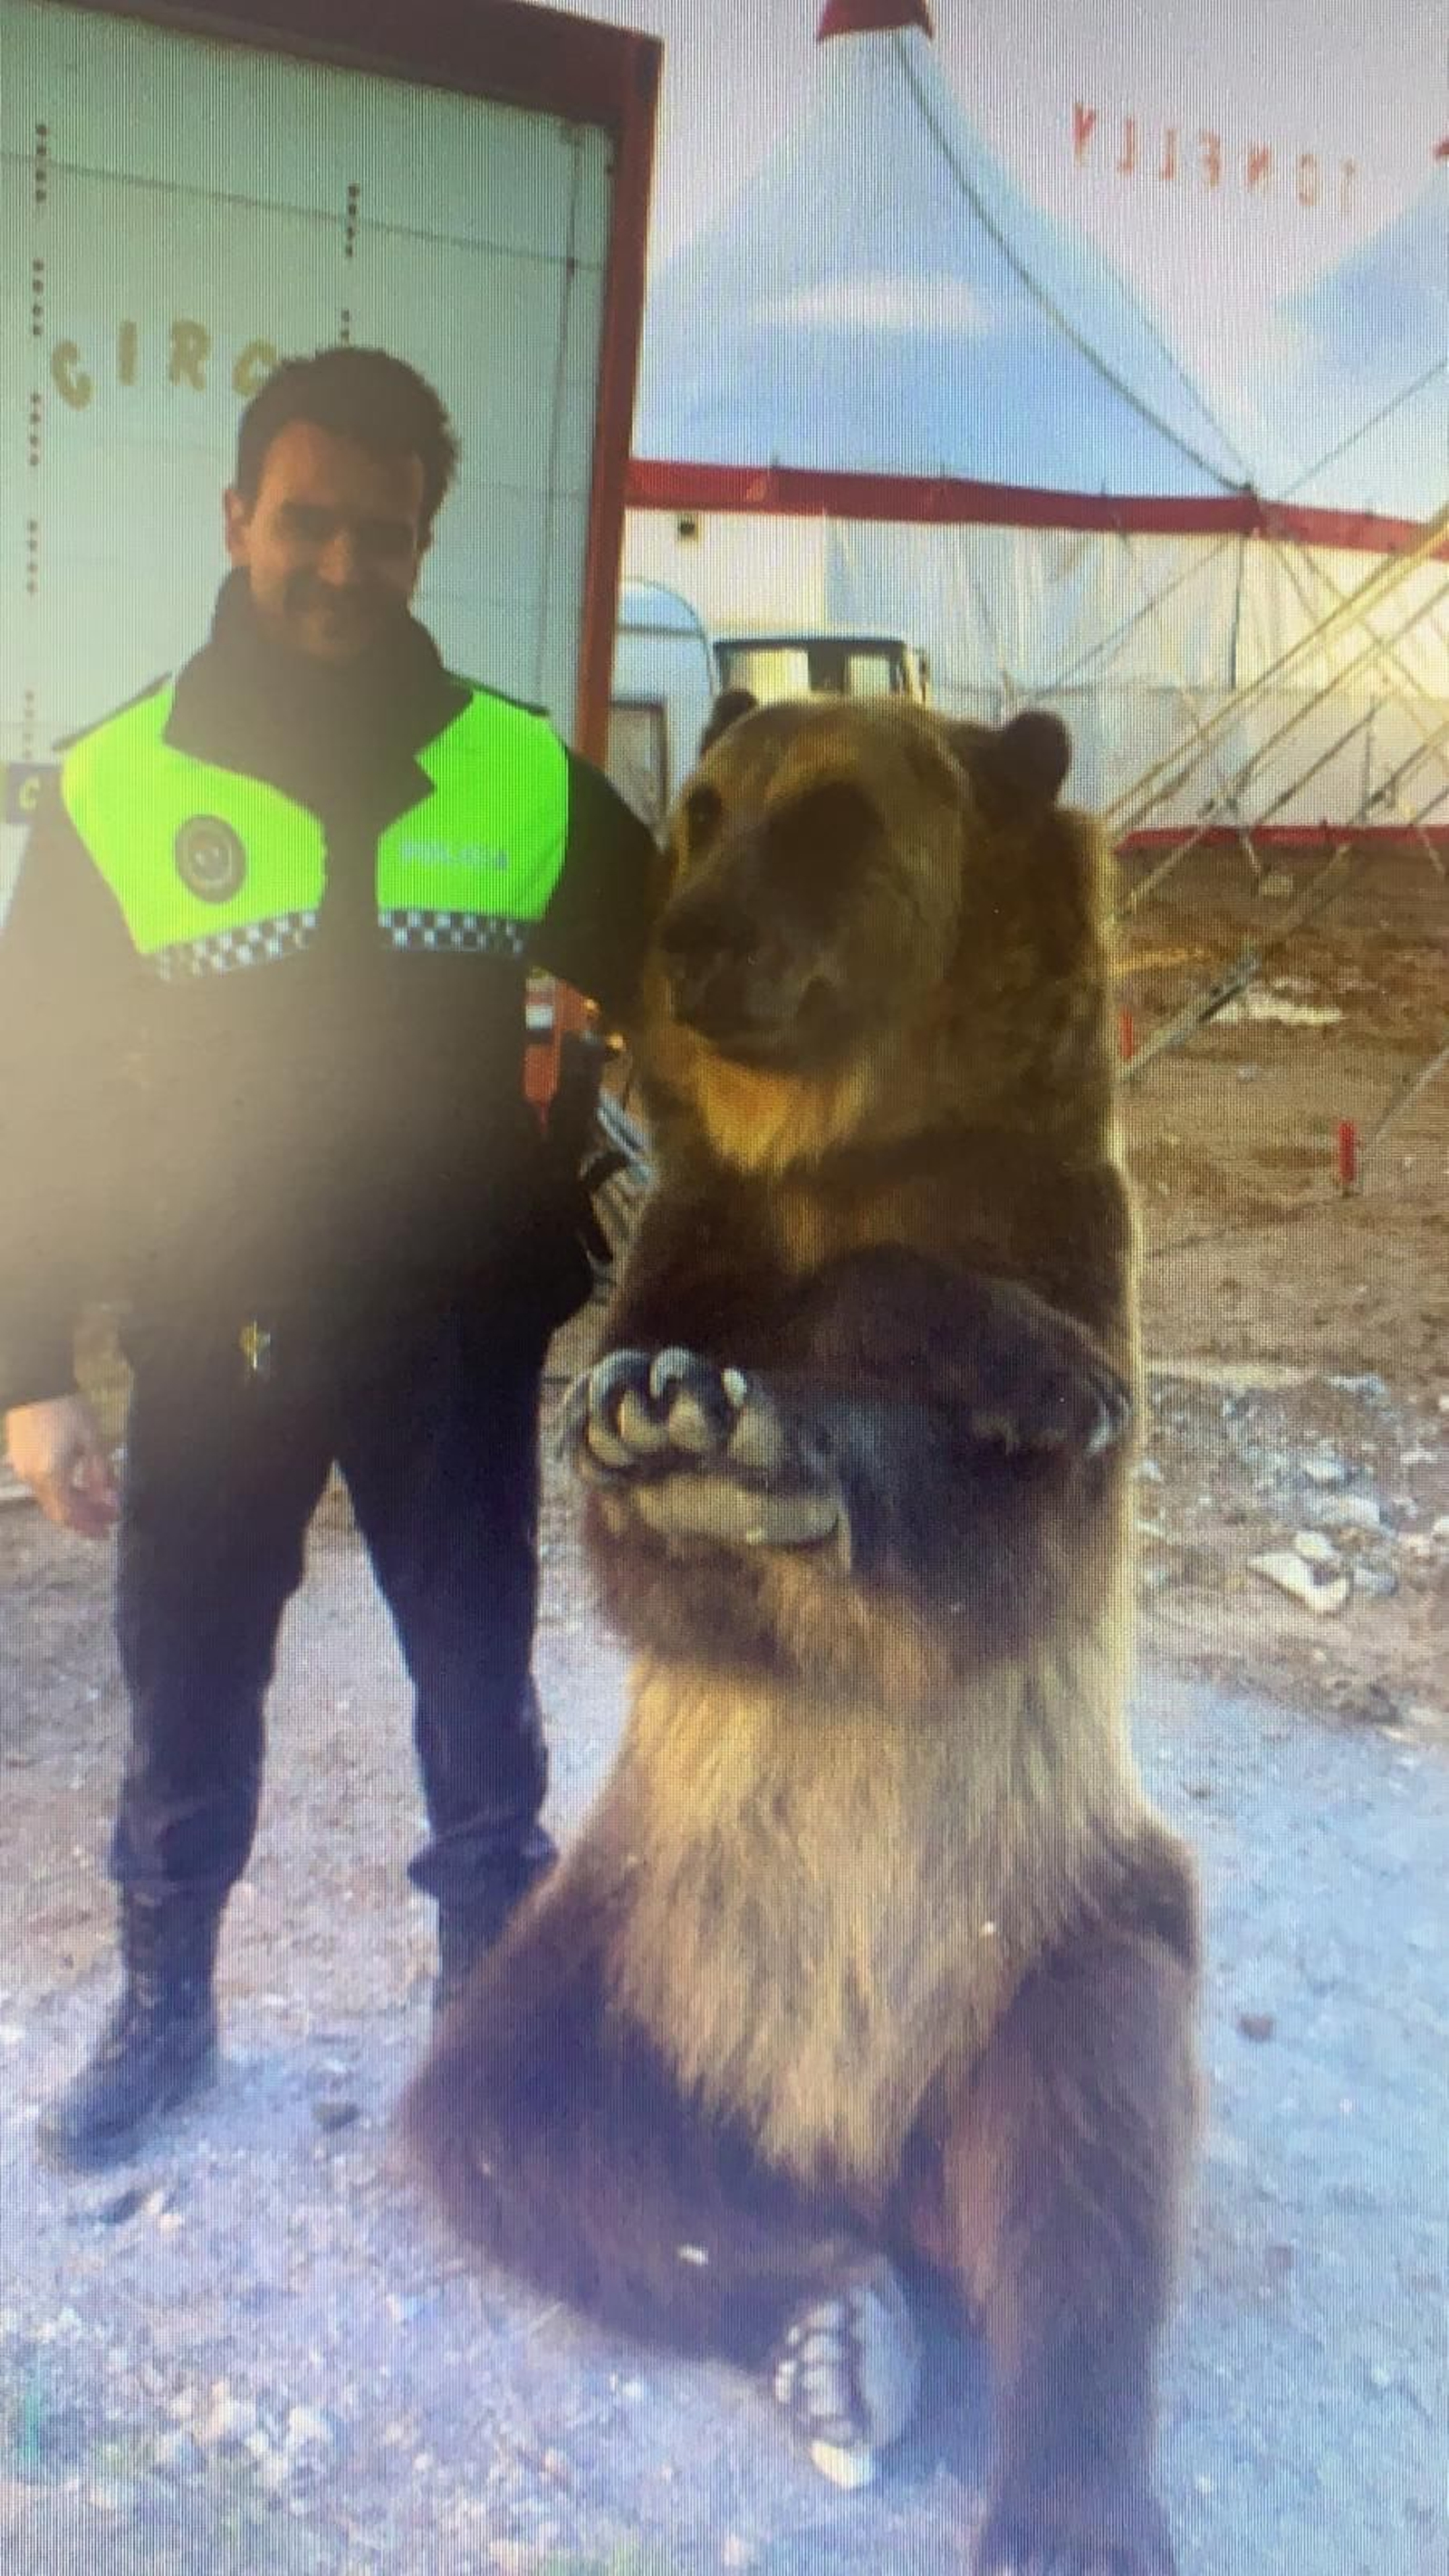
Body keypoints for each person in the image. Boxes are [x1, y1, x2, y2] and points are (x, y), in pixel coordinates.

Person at [0, 346, 657, 2171]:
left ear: (423, 542)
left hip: (452, 1330)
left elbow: (684, 961)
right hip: (222, 1330)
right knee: (188, 1672)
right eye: (308, 522)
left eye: (385, 534)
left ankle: (486, 2021)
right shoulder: (122, 786)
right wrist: (28, 1367)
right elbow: (29, 1090)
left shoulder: (516, 773)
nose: (342, 566)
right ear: (237, 518)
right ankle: (164, 2007)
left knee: (474, 1677)